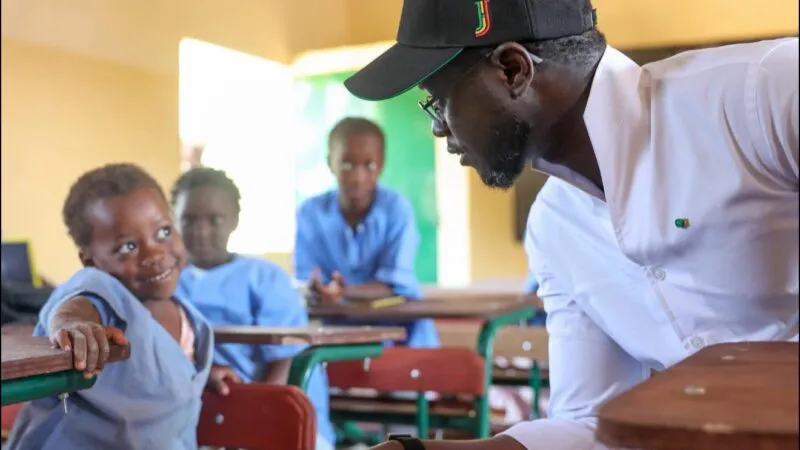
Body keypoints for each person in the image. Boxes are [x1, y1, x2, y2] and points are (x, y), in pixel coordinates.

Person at [342, 0, 799, 448]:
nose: (439, 129)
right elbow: (589, 424)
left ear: (513, 71)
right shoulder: (553, 228)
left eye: (439, 101)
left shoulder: (763, 95)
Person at [5, 163, 238, 450]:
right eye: (128, 247)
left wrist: (200, 374)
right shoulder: (103, 292)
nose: (154, 253)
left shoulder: (189, 317)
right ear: (90, 260)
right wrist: (74, 326)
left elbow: (165, 364)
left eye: (164, 231)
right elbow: (76, 305)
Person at [171, 167, 336, 450]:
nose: (200, 231)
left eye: (214, 219)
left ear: (234, 220)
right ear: (173, 219)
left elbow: (284, 360)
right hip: (197, 415)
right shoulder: (167, 282)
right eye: (189, 219)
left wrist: (252, 419)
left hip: (270, 411)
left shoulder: (266, 278)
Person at [294, 117, 439, 349]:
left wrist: (343, 292)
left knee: (403, 381)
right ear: (330, 163)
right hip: (337, 334)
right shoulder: (310, 213)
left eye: (369, 166)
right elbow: (308, 279)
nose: (357, 177)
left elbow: (395, 284)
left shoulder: (396, 209)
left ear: (381, 165)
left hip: (402, 334)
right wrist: (318, 289)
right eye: (346, 164)